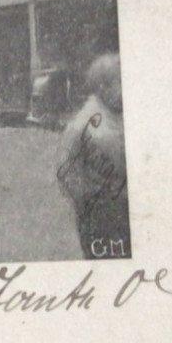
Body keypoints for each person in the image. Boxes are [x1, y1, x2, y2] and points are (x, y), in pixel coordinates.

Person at [55, 53, 129, 260]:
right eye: (120, 82)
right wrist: (92, 201)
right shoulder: (82, 125)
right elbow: (67, 171)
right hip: (103, 214)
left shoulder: (122, 114)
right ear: (103, 87)